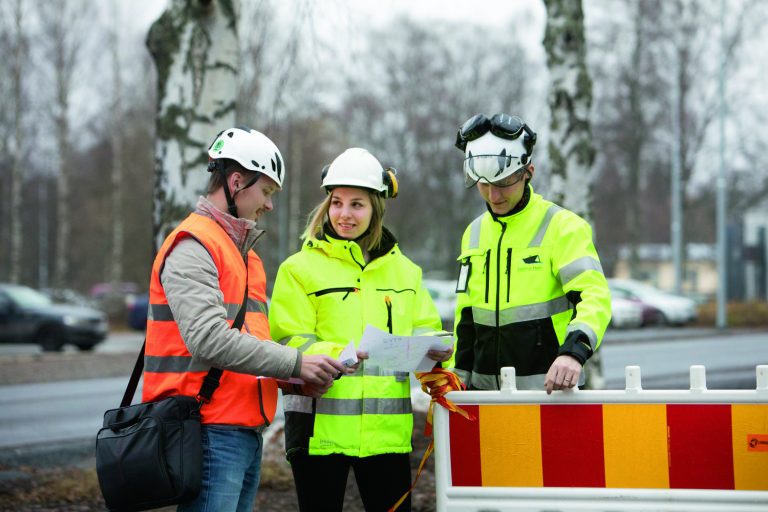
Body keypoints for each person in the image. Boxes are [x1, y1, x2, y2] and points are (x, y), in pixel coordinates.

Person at [142, 126, 347, 512]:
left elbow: (250, 345)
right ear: (237, 182)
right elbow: (209, 340)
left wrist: (295, 380)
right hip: (206, 430)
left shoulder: (246, 255)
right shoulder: (193, 245)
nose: (269, 204)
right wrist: (298, 361)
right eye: (266, 191)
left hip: (243, 429)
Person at [269, 148, 452, 512]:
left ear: (376, 210)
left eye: (357, 205)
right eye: (337, 203)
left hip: (387, 435)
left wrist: (442, 350)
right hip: (318, 434)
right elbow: (288, 340)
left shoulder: (407, 273)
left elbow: (427, 330)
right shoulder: (298, 269)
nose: (344, 214)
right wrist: (340, 352)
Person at [451, 113, 611, 394]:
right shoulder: (473, 233)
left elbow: (594, 297)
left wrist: (574, 352)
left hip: (551, 396)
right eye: (484, 184)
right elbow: (465, 319)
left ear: (528, 173)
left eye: (503, 184)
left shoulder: (563, 226)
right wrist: (456, 379)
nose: (493, 196)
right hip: (484, 398)